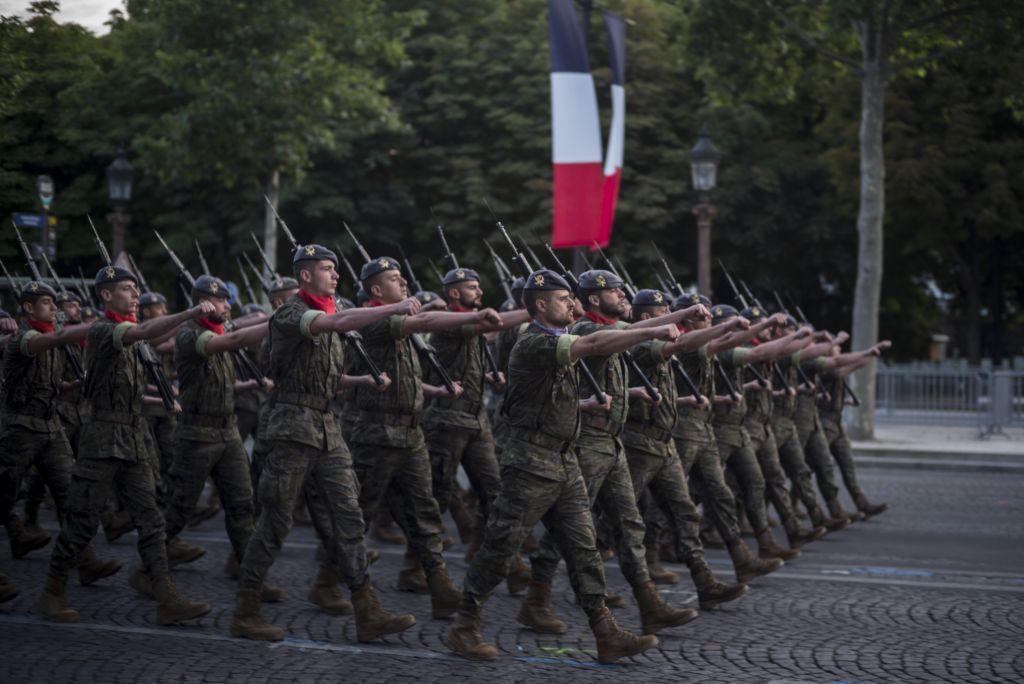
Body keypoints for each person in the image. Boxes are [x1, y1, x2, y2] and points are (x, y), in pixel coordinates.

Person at [446, 269, 679, 664]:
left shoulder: (557, 338)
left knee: (583, 547)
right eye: (563, 299)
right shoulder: (534, 341)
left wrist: (667, 323)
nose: (571, 304)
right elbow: (595, 342)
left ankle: (605, 632)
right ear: (540, 304)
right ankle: (464, 625)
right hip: (530, 461)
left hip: (563, 457)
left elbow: (562, 388)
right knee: (502, 545)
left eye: (573, 298)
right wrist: (648, 332)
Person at [231, 244, 417, 644]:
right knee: (275, 521)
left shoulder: (331, 313)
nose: (335, 276)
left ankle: (367, 611)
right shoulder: (293, 313)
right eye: (327, 269)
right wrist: (391, 308)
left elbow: (328, 377)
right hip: (291, 429)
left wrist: (362, 381)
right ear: (305, 275)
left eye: (335, 270)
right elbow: (338, 323)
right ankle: (245, 609)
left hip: (327, 428)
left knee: (349, 518)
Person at [519, 272, 709, 637]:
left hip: (613, 442)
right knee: (568, 529)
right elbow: (628, 334)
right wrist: (662, 326)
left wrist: (676, 319)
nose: (623, 294)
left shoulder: (614, 326)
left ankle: (649, 603)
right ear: (593, 300)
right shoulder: (586, 331)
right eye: (615, 291)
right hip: (587, 441)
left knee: (629, 524)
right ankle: (536, 600)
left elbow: (640, 327)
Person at [40, 265, 212, 626]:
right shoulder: (106, 330)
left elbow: (127, 390)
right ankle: (53, 591)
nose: (136, 295)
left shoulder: (134, 340)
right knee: (83, 520)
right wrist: (192, 311)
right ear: (106, 295)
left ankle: (165, 595)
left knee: (151, 521)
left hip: (134, 440)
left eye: (136, 289)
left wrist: (159, 401)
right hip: (102, 441)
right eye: (127, 290)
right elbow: (147, 329)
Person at [348, 256, 502, 619]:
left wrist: (432, 388)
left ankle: (439, 585)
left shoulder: (402, 321)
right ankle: (339, 588)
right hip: (376, 432)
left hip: (411, 430)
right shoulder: (374, 321)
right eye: (395, 279)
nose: (403, 284)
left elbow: (407, 375)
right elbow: (431, 319)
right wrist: (471, 317)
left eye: (403, 277)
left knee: (425, 510)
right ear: (376, 290)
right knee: (358, 515)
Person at [421, 266, 530, 590]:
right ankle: (418, 567)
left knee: (495, 492)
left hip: (475, 420)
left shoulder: (471, 327)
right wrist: (536, 309)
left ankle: (512, 563)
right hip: (446, 421)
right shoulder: (450, 324)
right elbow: (480, 325)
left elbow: (465, 364)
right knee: (437, 497)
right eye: (472, 288)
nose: (479, 293)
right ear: (455, 293)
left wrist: (487, 376)